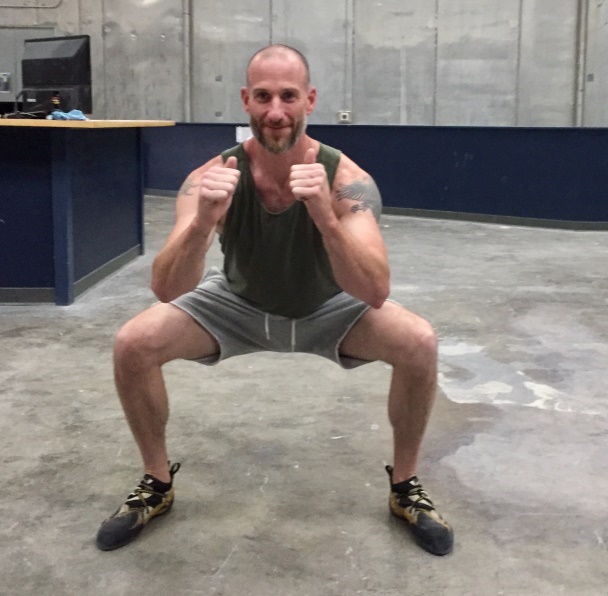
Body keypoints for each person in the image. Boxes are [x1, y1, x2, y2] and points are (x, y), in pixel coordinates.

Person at [95, 44, 453, 556]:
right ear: (245, 100)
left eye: (288, 96)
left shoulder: (349, 180)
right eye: (263, 97)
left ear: (309, 99)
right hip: (236, 303)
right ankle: (156, 482)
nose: (276, 112)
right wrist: (202, 223)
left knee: (418, 342)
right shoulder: (209, 178)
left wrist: (326, 219)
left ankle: (405, 487)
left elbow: (374, 290)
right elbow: (167, 289)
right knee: (133, 343)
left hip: (330, 306)